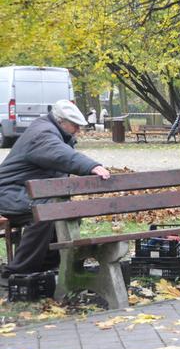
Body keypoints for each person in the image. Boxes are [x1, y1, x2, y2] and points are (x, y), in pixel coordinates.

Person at [0, 100, 111, 285]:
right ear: (61, 121)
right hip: (7, 192)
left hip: (23, 191)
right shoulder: (42, 133)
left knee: (62, 210)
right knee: (46, 210)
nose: (78, 130)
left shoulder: (54, 131)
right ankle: (18, 272)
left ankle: (49, 266)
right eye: (74, 125)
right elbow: (59, 153)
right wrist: (92, 166)